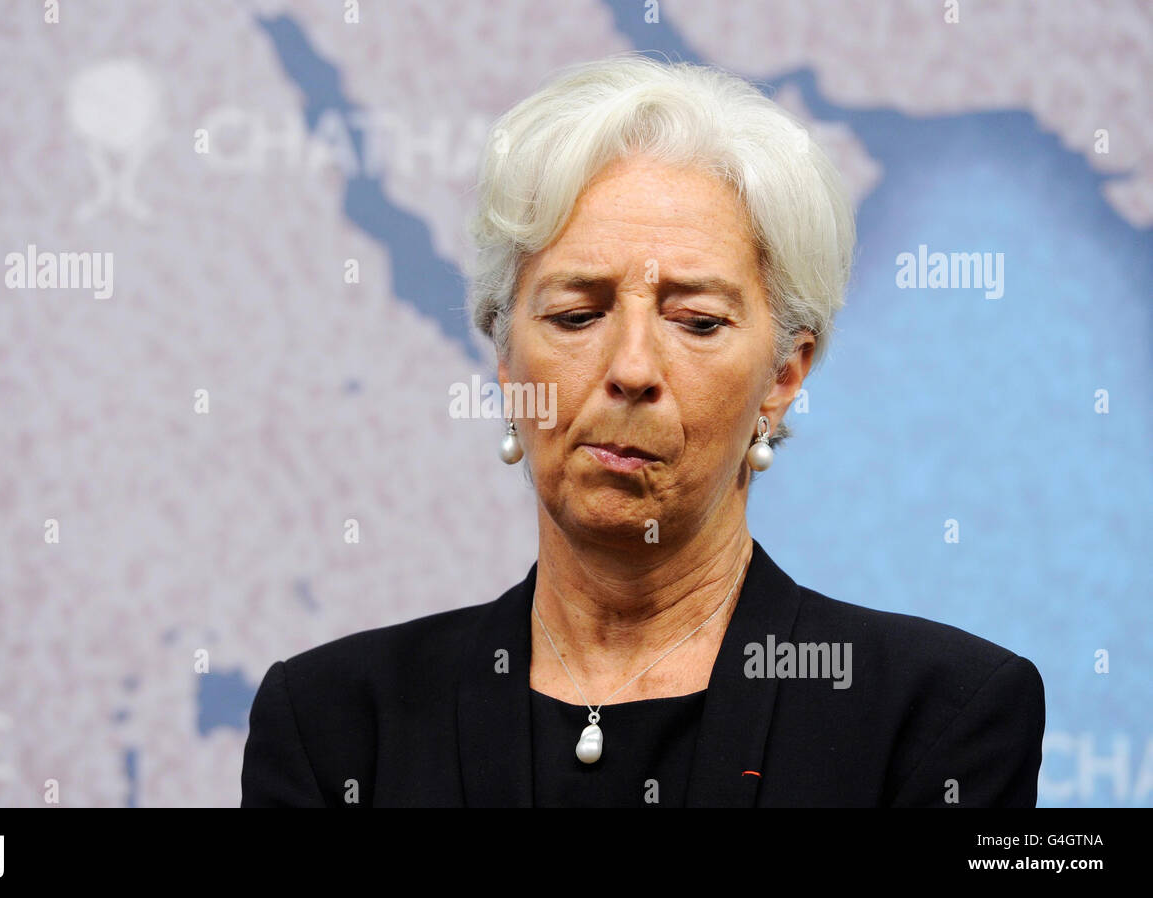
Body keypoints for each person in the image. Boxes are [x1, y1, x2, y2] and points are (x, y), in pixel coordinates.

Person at [241, 53, 1045, 808]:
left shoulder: (939, 716)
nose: (631, 368)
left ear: (784, 377)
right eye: (577, 313)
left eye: (696, 322)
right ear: (505, 356)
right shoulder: (334, 726)